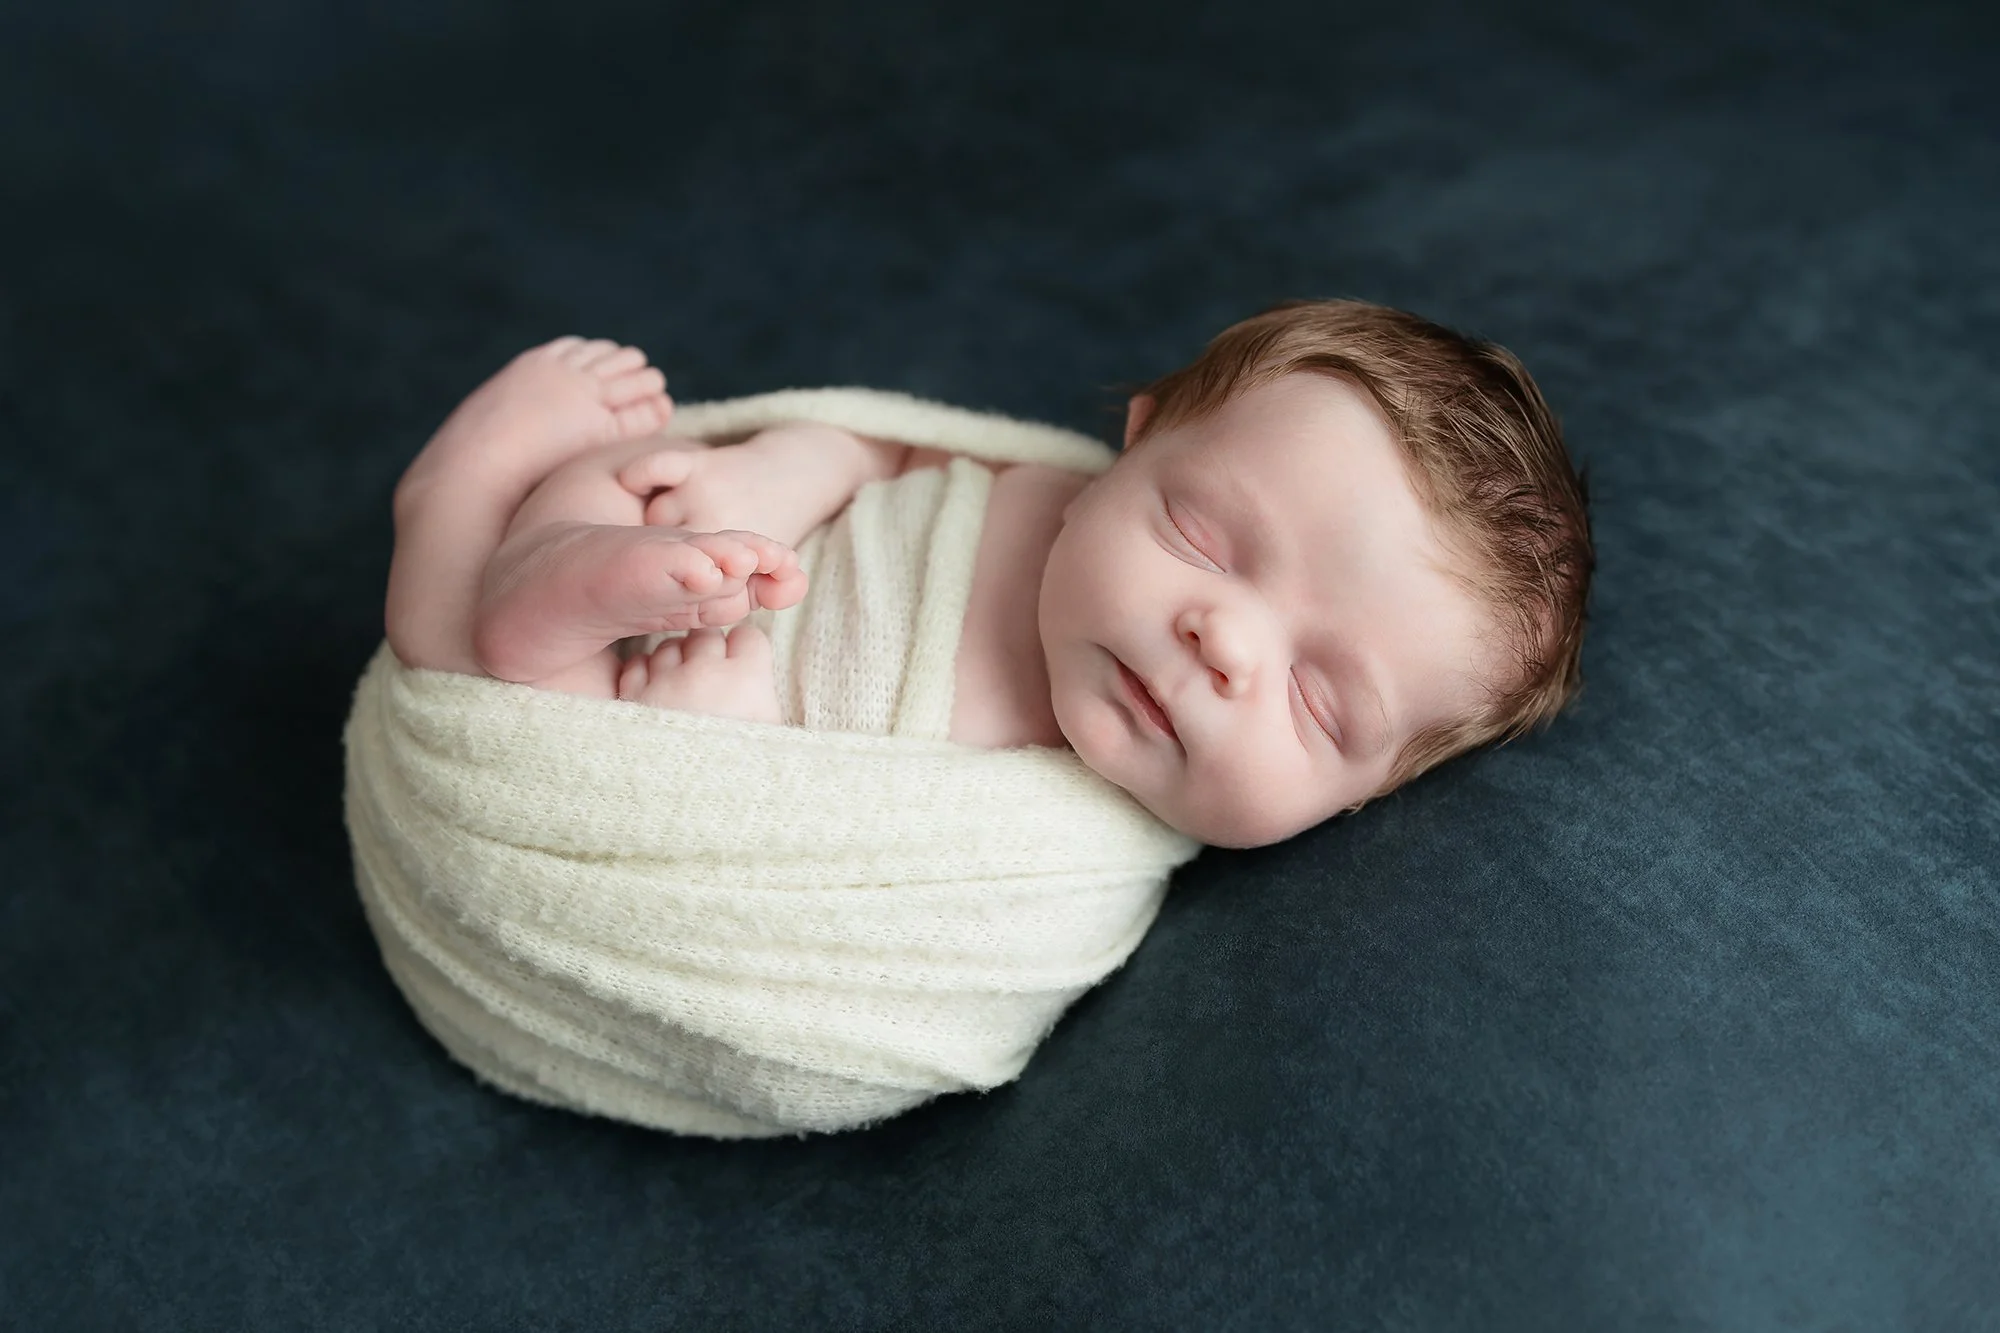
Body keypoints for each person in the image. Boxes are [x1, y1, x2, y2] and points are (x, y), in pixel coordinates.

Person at [383, 299, 1592, 849]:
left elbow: (862, 933)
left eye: (1317, 702)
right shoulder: (1038, 492)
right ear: (1135, 443)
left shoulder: (1066, 852)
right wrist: (792, 469)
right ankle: (509, 522)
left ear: (1370, 793)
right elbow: (893, 448)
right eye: (1204, 538)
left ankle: (460, 517)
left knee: (484, 670)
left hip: (643, 774)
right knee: (642, 485)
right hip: (713, 569)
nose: (1224, 643)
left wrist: (718, 762)